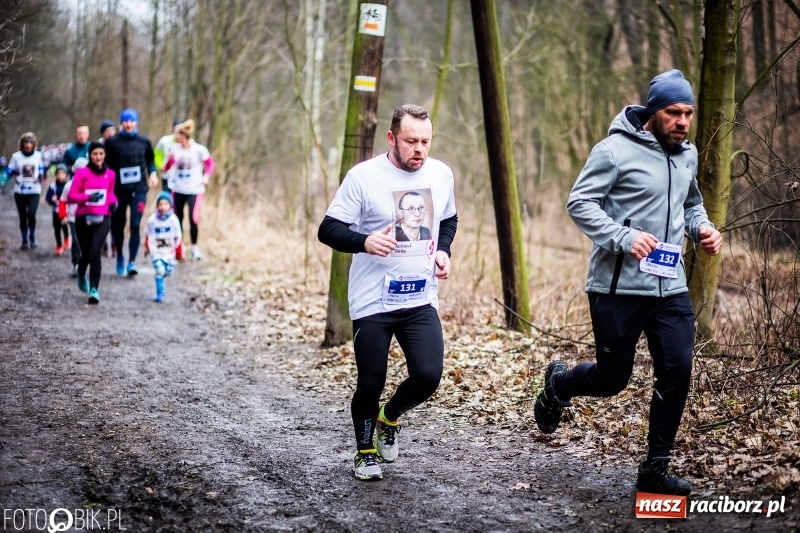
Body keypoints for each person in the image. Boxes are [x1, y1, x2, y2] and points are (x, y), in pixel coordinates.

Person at [533, 70, 722, 496]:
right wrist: (625, 236)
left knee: (677, 368)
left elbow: (692, 203)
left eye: (688, 114)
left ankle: (655, 468)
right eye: (674, 113)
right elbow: (579, 202)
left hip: (669, 287)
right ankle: (559, 384)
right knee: (612, 379)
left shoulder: (686, 155)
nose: (682, 122)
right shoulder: (614, 151)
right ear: (654, 113)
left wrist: (702, 229)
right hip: (616, 289)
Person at [318, 104, 458, 481]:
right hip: (373, 299)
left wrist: (443, 250)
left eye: (426, 141)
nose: (419, 150)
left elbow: (448, 218)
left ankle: (389, 417)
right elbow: (328, 228)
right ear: (392, 138)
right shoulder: (363, 177)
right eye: (411, 141)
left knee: (428, 376)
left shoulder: (441, 174)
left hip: (419, 296)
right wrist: (364, 241)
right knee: (371, 380)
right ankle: (365, 453)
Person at [104, 108, 158, 277]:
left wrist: (153, 174)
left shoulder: (144, 141)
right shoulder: (112, 142)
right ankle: (120, 255)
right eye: (125, 121)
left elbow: (151, 161)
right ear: (121, 123)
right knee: (118, 226)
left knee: (135, 224)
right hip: (118, 190)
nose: (128, 124)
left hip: (139, 189)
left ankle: (132, 262)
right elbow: (104, 163)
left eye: (131, 121)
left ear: (136, 122)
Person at [67, 142, 117, 304]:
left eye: (101, 154)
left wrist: (114, 202)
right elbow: (71, 196)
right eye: (95, 154)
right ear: (90, 155)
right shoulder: (82, 173)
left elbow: (110, 194)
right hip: (83, 218)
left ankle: (94, 289)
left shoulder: (110, 174)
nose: (98, 157)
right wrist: (88, 198)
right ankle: (81, 273)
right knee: (87, 254)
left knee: (96, 252)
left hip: (103, 218)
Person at [162, 119, 215, 260]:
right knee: (177, 218)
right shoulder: (174, 149)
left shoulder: (199, 150)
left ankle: (195, 248)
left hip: (195, 189)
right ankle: (179, 247)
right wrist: (168, 162)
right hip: (178, 188)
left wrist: (206, 177)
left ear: (184, 136)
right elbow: (166, 168)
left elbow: (210, 164)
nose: (176, 138)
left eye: (178, 136)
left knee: (193, 218)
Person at [8, 132, 46, 249]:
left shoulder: (38, 155)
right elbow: (9, 171)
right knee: (23, 216)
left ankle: (32, 237)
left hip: (34, 190)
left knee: (32, 214)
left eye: (30, 143)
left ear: (34, 144)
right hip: (20, 191)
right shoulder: (16, 156)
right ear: (22, 144)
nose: (28, 145)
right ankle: (24, 240)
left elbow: (42, 168)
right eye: (26, 143)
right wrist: (12, 172)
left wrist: (41, 175)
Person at [144, 192, 183, 303]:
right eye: (160, 204)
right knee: (159, 270)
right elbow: (147, 234)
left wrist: (179, 252)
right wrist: (147, 247)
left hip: (169, 252)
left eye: (165, 204)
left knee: (168, 272)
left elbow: (178, 236)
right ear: (157, 205)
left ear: (170, 205)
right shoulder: (152, 220)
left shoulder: (173, 220)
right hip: (156, 251)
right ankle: (159, 293)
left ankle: (162, 277)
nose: (162, 207)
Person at [60, 158, 88, 277]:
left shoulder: (90, 185)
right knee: (76, 241)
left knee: (86, 243)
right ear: (74, 170)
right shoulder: (69, 185)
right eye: (78, 170)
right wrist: (63, 215)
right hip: (73, 218)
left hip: (88, 218)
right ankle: (76, 264)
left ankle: (84, 264)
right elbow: (62, 201)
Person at [45, 164, 71, 255]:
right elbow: (47, 198)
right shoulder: (52, 186)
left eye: (63, 173)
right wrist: (51, 199)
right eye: (58, 174)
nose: (60, 176)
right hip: (56, 211)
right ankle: (59, 245)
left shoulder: (68, 185)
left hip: (66, 211)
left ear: (66, 175)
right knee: (56, 229)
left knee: (64, 226)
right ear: (55, 175)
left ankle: (67, 238)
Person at [154, 119, 182, 192]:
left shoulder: (186, 142)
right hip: (167, 174)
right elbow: (157, 154)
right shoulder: (164, 141)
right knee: (167, 197)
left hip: (181, 176)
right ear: (173, 129)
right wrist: (160, 165)